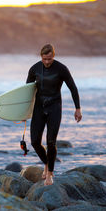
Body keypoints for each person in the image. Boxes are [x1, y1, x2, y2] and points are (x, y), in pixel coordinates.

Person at [26, 44, 82, 185]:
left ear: (54, 56)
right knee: (34, 142)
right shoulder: (34, 69)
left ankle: (50, 172)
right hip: (39, 108)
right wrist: (23, 112)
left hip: (54, 107)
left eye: (49, 59)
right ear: (41, 57)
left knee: (51, 141)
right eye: (44, 59)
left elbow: (73, 88)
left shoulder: (61, 69)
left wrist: (78, 108)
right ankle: (46, 163)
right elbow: (27, 91)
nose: (47, 62)